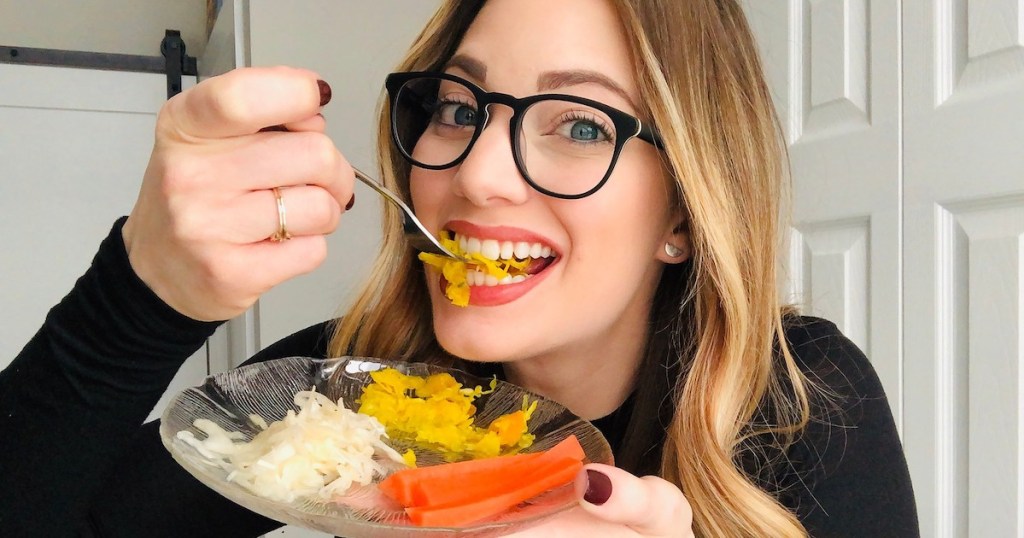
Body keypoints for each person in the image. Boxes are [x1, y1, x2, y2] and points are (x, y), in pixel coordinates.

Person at [0, 0, 919, 536]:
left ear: (682, 211)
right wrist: (141, 299)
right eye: (455, 106)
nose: (475, 171)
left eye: (581, 125)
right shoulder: (349, 386)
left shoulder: (802, 402)